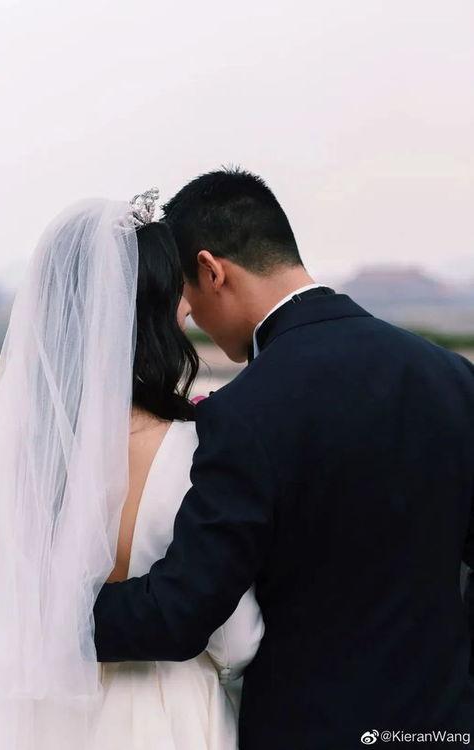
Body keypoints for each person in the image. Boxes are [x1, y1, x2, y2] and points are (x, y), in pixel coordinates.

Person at [93, 169, 474, 749]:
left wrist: (37, 615)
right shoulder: (452, 377)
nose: (189, 315)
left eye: (188, 293)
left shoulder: (246, 410)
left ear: (212, 271)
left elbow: (179, 612)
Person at [0, 194, 263, 750]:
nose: (187, 309)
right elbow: (236, 639)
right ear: (152, 315)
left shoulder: (1, 460)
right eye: (177, 295)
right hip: (164, 712)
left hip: (40, 715)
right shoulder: (195, 453)